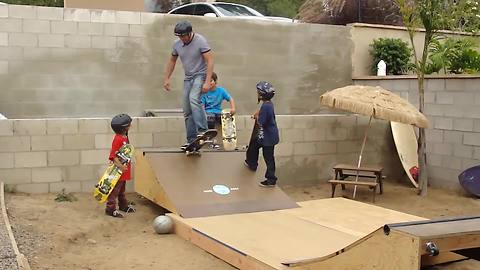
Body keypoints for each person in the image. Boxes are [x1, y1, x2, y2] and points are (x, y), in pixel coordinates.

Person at [163, 20, 214, 149]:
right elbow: (172, 61)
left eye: (183, 36)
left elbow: (210, 60)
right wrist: (167, 78)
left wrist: (208, 81)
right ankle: (191, 139)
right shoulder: (177, 44)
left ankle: (203, 131)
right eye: (179, 36)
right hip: (188, 78)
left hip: (200, 75)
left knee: (194, 99)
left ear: (189, 33)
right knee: (186, 109)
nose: (182, 39)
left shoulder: (200, 40)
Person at [244, 81, 279, 187]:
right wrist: (259, 113)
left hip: (268, 137)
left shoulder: (266, 107)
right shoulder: (268, 104)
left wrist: (257, 117)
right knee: (253, 147)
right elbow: (263, 113)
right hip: (264, 135)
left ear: (261, 94)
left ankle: (271, 179)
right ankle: (251, 163)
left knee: (268, 157)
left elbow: (261, 122)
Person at [105, 113, 136, 218]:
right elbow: (113, 157)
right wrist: (121, 167)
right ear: (124, 128)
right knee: (114, 191)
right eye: (129, 125)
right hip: (118, 171)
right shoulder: (118, 139)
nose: (130, 127)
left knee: (122, 190)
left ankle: (123, 205)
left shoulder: (124, 137)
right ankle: (110, 208)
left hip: (123, 171)